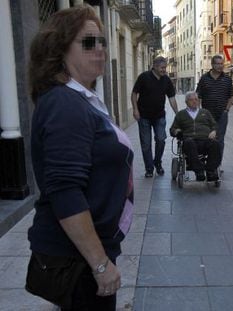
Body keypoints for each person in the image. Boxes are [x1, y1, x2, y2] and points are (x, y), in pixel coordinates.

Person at [27, 6, 133, 310]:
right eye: (88, 42)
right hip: (80, 258)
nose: (99, 49)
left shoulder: (80, 99)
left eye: (101, 41)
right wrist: (100, 265)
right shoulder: (64, 104)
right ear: (60, 49)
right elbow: (65, 191)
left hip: (88, 250)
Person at [131, 56, 178, 178]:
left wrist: (178, 114)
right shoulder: (144, 77)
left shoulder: (166, 80)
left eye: (165, 68)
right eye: (162, 68)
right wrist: (135, 110)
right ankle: (149, 168)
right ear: (155, 66)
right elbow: (134, 93)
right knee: (146, 144)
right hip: (144, 116)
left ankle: (157, 162)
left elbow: (172, 98)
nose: (164, 70)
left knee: (161, 140)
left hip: (159, 116)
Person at [170, 91, 220, 181]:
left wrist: (214, 131)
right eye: (191, 100)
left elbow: (214, 125)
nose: (194, 102)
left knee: (215, 144)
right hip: (190, 141)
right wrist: (176, 131)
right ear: (186, 102)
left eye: (196, 99)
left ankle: (211, 171)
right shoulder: (181, 114)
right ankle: (199, 171)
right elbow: (172, 129)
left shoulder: (205, 112)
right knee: (189, 142)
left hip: (205, 140)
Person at [196, 55, 233, 166]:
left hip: (222, 114)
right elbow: (198, 96)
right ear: (212, 65)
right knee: (207, 138)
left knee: (220, 140)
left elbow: (231, 96)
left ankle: (217, 164)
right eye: (217, 63)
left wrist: (226, 110)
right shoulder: (204, 78)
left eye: (221, 63)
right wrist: (199, 111)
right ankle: (207, 160)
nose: (220, 66)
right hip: (207, 115)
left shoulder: (227, 79)